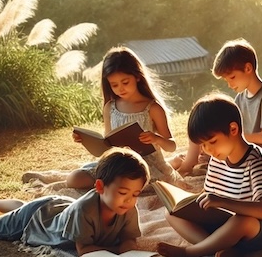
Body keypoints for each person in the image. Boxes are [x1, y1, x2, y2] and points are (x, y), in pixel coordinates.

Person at [157, 93, 262, 257]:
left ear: (233, 130)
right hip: (227, 224)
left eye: (212, 141)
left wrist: (221, 202)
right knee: (171, 212)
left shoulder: (258, 162)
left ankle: (192, 252)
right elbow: (211, 194)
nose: (208, 149)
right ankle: (218, 248)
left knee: (242, 221)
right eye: (203, 145)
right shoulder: (218, 159)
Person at [0, 148, 150, 255]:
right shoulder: (85, 210)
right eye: (123, 192)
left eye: (135, 194)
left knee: (23, 208)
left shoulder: (128, 208)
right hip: (36, 220)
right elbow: (85, 250)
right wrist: (120, 252)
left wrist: (128, 247)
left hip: (55, 207)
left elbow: (129, 239)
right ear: (99, 187)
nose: (130, 200)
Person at [67, 47, 181, 189]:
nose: (120, 88)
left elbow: (172, 145)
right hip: (117, 164)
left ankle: (171, 164)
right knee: (75, 178)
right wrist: (87, 141)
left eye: (125, 82)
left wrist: (156, 139)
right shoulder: (110, 107)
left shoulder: (152, 108)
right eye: (114, 85)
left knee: (123, 184)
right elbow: (107, 145)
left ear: (137, 76)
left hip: (144, 167)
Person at [172, 38, 262, 174]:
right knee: (201, 128)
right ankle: (188, 162)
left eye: (232, 77)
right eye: (226, 80)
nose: (229, 84)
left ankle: (188, 165)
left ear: (248, 68)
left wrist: (236, 136)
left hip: (257, 154)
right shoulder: (240, 98)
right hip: (237, 150)